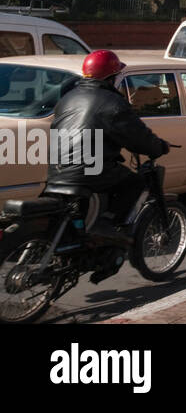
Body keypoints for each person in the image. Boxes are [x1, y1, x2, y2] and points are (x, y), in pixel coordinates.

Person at [46, 51, 170, 275]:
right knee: (135, 183)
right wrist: (159, 147)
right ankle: (106, 224)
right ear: (111, 77)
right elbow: (138, 136)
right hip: (89, 169)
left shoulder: (68, 97)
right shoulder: (113, 102)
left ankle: (87, 239)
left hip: (57, 168)